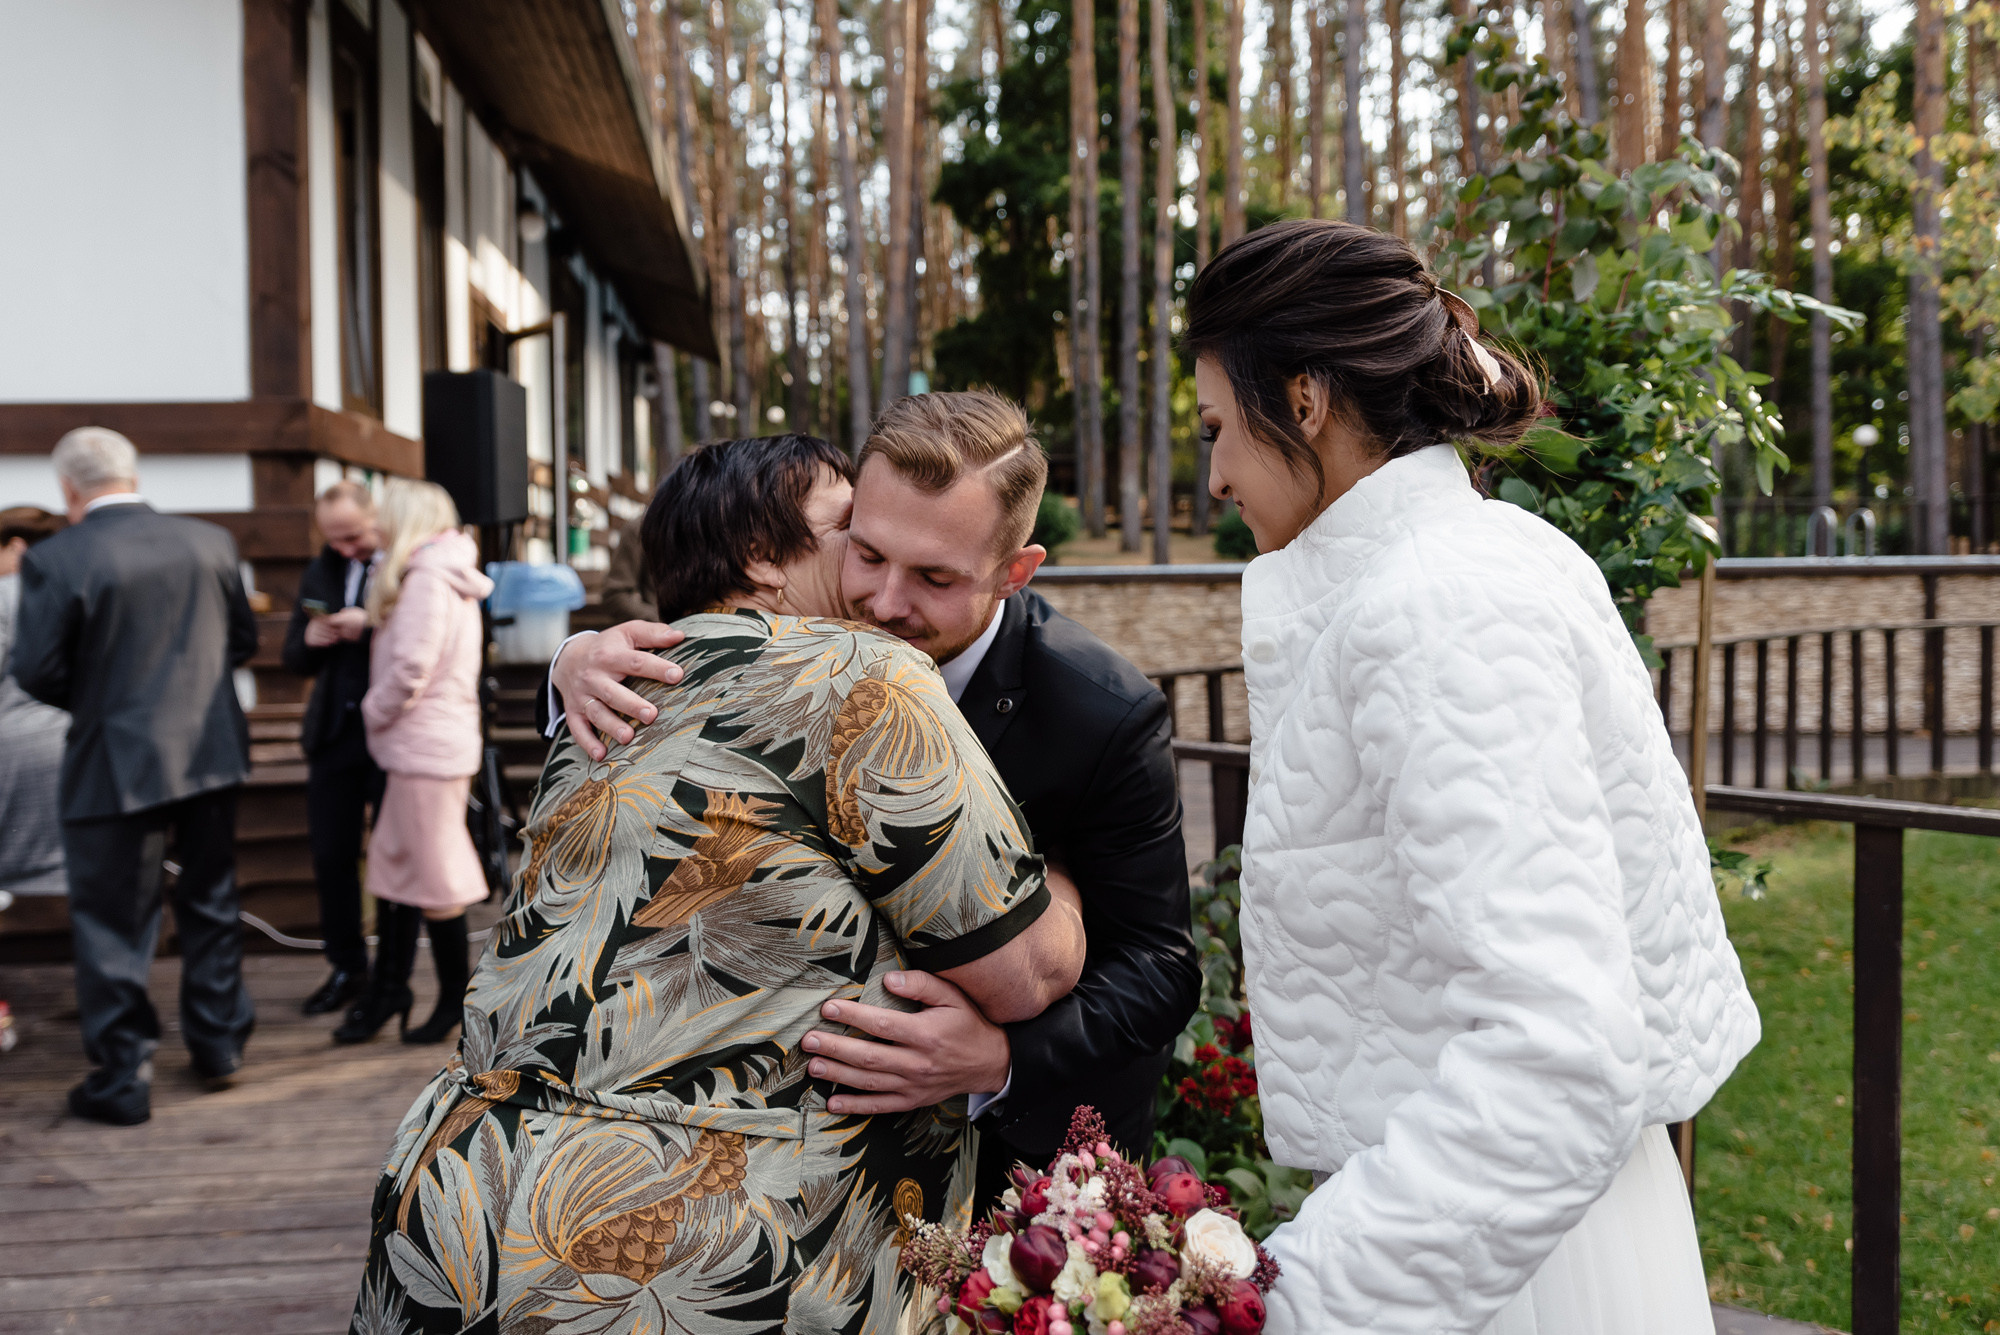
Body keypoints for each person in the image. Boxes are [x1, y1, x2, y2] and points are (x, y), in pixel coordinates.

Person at [350, 433, 1085, 1333]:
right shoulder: (859, 674)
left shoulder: (607, 696)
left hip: (455, 1200)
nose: (872, 568)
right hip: (689, 1249)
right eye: (850, 531)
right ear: (761, 558)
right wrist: (1063, 883)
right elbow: (1024, 973)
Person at [1183, 218, 1761, 1335]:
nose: (1212, 474)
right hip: (1481, 1218)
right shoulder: (1480, 559)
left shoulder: (1434, 605)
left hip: (1497, 1259)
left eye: (1217, 428)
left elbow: (1557, 1055)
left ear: (1301, 402)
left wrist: (1299, 1302)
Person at [546, 392, 1200, 1201]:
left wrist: (1002, 1059)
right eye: (865, 553)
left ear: (1013, 572)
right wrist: (571, 658)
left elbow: (1159, 967)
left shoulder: (1099, 711)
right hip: (795, 1185)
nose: (886, 603)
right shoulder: (799, 664)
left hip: (1020, 1167)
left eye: (933, 577)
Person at [9, 427, 260, 1126]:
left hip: (113, 757)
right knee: (210, 900)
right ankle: (219, 1045)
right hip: (210, 749)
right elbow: (241, 640)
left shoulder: (58, 557)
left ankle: (123, 1075)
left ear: (68, 489)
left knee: (114, 919)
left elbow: (35, 668)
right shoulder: (211, 541)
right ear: (133, 472)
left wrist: (104, 699)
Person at [333, 480, 493, 1046]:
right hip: (430, 741)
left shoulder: (426, 577)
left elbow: (410, 667)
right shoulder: (440, 571)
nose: (375, 526)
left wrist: (372, 711)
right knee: (402, 865)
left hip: (423, 744)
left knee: (435, 875)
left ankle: (456, 997)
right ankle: (395, 989)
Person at [281, 481, 383, 1017]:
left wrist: (368, 627)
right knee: (330, 855)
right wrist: (310, 641)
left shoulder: (403, 562)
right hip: (332, 735)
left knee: (391, 857)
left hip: (390, 734)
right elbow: (293, 656)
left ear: (376, 517)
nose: (345, 549)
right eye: (335, 539)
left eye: (354, 536)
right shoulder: (321, 567)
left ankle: (391, 976)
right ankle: (347, 966)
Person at [0, 507, 70, 904]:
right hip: (78, 744)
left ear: (17, 547)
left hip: (16, 752)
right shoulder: (75, 589)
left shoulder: (5, 594)